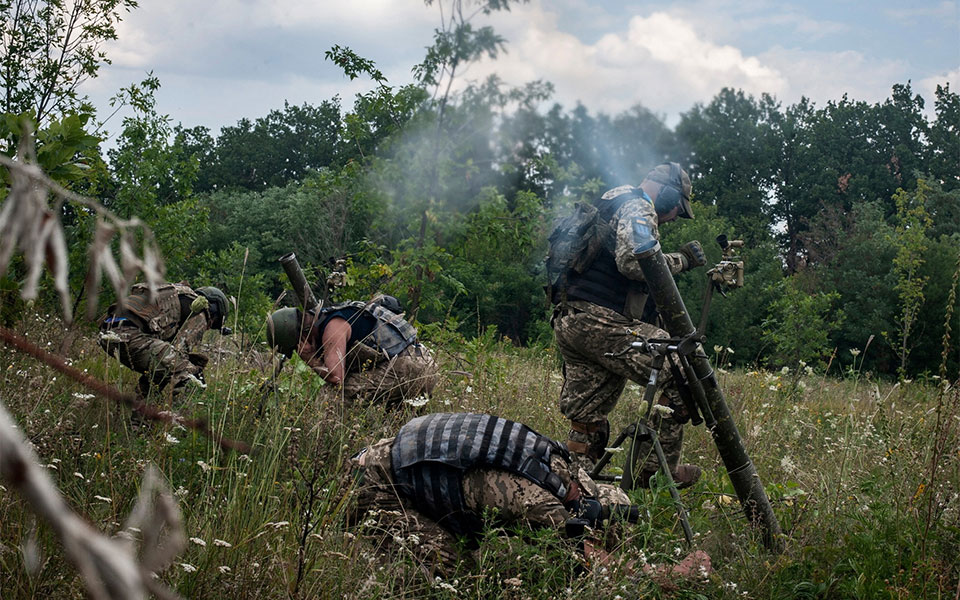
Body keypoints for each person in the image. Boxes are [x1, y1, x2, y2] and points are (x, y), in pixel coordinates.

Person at [547, 162, 707, 487]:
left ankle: (577, 487)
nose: (675, 217)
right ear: (667, 194)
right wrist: (683, 260)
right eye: (678, 208)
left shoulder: (613, 201)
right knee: (681, 368)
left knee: (587, 415)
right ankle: (654, 473)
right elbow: (635, 262)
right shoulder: (638, 206)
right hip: (600, 321)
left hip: (572, 319)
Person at [344, 412, 657, 577]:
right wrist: (654, 574)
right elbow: (595, 560)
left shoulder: (562, 464)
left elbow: (598, 500)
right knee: (451, 569)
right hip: (373, 485)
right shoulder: (534, 499)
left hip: (403, 458)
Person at [265, 295, 438, 404]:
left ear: (301, 337)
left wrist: (310, 358)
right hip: (424, 363)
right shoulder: (337, 313)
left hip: (410, 370)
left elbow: (336, 378)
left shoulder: (333, 328)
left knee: (329, 398)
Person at [98, 281, 230, 404]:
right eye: (212, 324)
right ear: (215, 311)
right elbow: (180, 350)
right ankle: (179, 418)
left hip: (108, 331)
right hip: (130, 334)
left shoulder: (179, 295)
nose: (207, 327)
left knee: (161, 369)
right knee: (193, 378)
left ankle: (143, 415)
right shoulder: (201, 312)